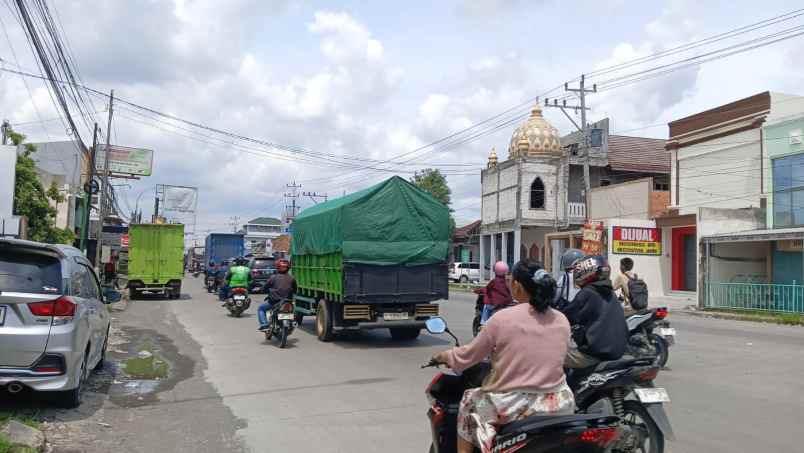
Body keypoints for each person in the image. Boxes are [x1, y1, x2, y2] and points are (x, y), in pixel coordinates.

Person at [431, 259, 575, 453]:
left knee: (468, 401)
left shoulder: (501, 319)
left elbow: (468, 356)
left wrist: (445, 356)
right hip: (559, 401)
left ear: (516, 285)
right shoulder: (562, 319)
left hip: (514, 404)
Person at [560, 255, 629, 369]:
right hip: (617, 352)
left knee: (554, 353)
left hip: (594, 354)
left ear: (586, 272)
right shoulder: (611, 293)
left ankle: (563, 386)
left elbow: (566, 316)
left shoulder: (587, 293)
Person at [258, 258, 297, 331]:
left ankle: (264, 325)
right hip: (287, 302)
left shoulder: (273, 277)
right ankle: (292, 322)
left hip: (274, 302)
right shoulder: (292, 278)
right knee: (292, 310)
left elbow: (264, 288)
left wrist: (261, 290)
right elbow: (295, 290)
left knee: (261, 309)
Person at [479, 261, 513, 325]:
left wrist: (477, 291)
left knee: (486, 307)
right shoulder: (508, 281)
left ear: (495, 270)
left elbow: (486, 289)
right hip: (507, 303)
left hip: (495, 304)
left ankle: (483, 324)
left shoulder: (494, 281)